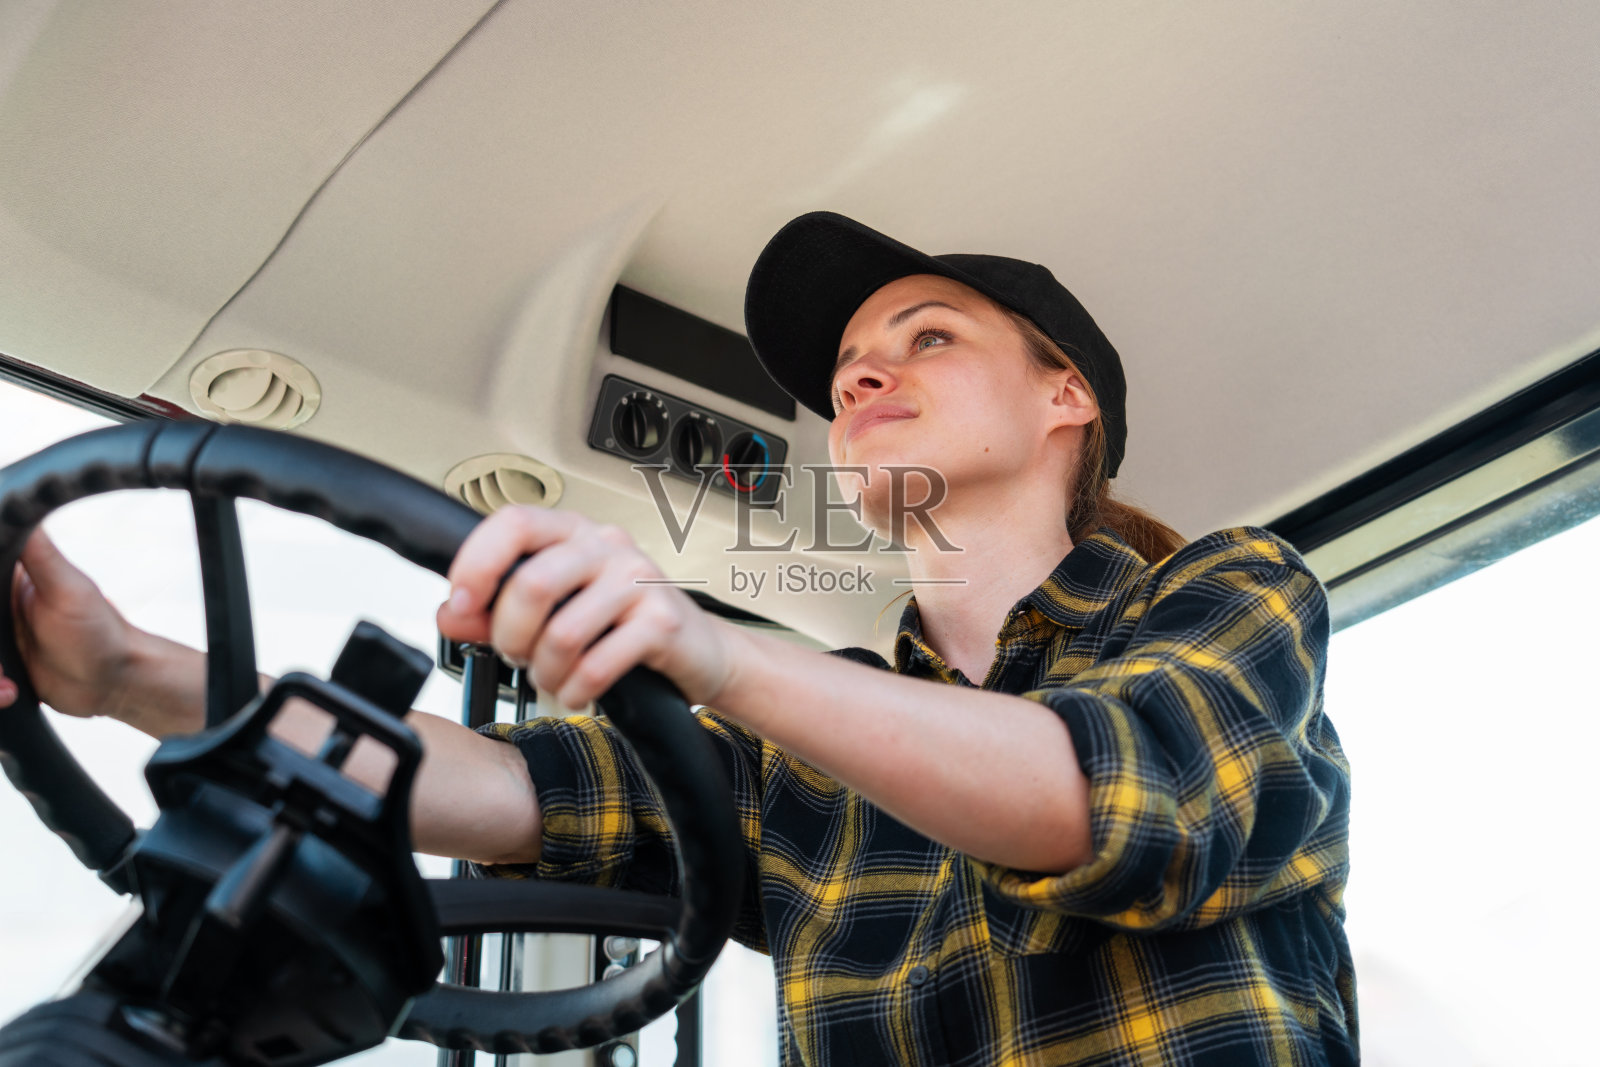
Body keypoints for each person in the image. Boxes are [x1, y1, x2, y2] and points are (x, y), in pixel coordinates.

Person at [0, 212, 1355, 1065]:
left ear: (1066, 395)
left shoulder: (1231, 596)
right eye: (846, 377)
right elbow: (501, 784)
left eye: (924, 338)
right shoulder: (801, 763)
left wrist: (714, 652)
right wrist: (126, 672)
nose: (863, 378)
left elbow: (1119, 799)